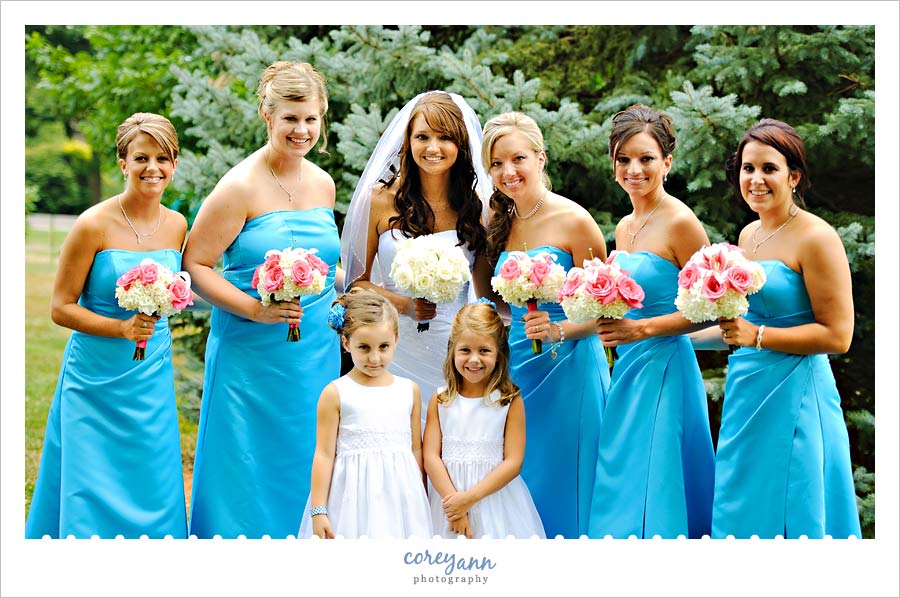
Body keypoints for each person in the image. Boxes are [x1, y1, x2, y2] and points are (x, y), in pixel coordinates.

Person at [183, 61, 340, 539]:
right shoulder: (239, 187)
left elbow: (329, 268)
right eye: (290, 118)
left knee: (308, 448)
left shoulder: (323, 183)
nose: (302, 129)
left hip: (314, 347)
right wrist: (254, 308)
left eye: (310, 118)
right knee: (246, 459)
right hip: (250, 350)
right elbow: (196, 264)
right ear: (267, 116)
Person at [26, 113, 188, 539]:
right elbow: (60, 307)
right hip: (94, 376)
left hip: (149, 372)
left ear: (174, 163)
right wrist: (119, 329)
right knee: (89, 481)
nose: (152, 168)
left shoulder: (176, 225)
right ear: (122, 162)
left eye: (163, 158)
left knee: (150, 473)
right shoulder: (92, 225)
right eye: (141, 157)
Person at [711, 119, 861, 539]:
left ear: (793, 176)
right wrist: (662, 333)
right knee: (742, 506)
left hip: (796, 393)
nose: (755, 179)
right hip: (747, 392)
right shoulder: (749, 235)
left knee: (795, 506)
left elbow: (838, 336)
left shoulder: (817, 237)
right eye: (747, 168)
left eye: (769, 169)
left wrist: (757, 338)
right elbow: (741, 322)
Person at [587, 104, 715, 539]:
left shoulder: (681, 222)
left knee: (656, 474)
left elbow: (713, 308)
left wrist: (643, 329)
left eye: (645, 158)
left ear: (667, 163)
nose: (633, 169)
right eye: (624, 159)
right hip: (627, 366)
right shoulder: (625, 226)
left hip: (665, 367)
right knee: (624, 472)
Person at [481, 111, 610, 539]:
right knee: (522, 469)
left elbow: (607, 308)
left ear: (541, 158)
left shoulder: (574, 221)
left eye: (517, 159)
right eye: (497, 164)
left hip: (570, 365)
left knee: (569, 471)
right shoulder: (497, 222)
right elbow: (495, 304)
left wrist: (560, 329)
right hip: (519, 364)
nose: (507, 172)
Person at [340, 91, 493, 428]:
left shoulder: (478, 206)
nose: (432, 148)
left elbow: (483, 292)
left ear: (461, 144)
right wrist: (404, 304)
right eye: (422, 136)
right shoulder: (380, 199)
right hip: (394, 346)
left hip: (454, 348)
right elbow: (356, 285)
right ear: (407, 141)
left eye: (444, 138)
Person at [297, 288, 432, 539]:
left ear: (396, 340)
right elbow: (324, 455)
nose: (375, 357)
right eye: (364, 347)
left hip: (401, 499)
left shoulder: (408, 390)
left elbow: (416, 449)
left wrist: (420, 496)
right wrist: (318, 510)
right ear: (346, 343)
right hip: (350, 500)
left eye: (383, 346)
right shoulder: (336, 393)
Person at [423, 301, 545, 539]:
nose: (474, 360)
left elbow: (513, 462)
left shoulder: (509, 400)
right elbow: (431, 456)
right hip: (449, 499)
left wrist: (469, 498)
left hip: (493, 497)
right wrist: (455, 507)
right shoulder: (440, 400)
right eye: (465, 350)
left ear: (499, 352)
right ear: (452, 351)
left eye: (484, 351)